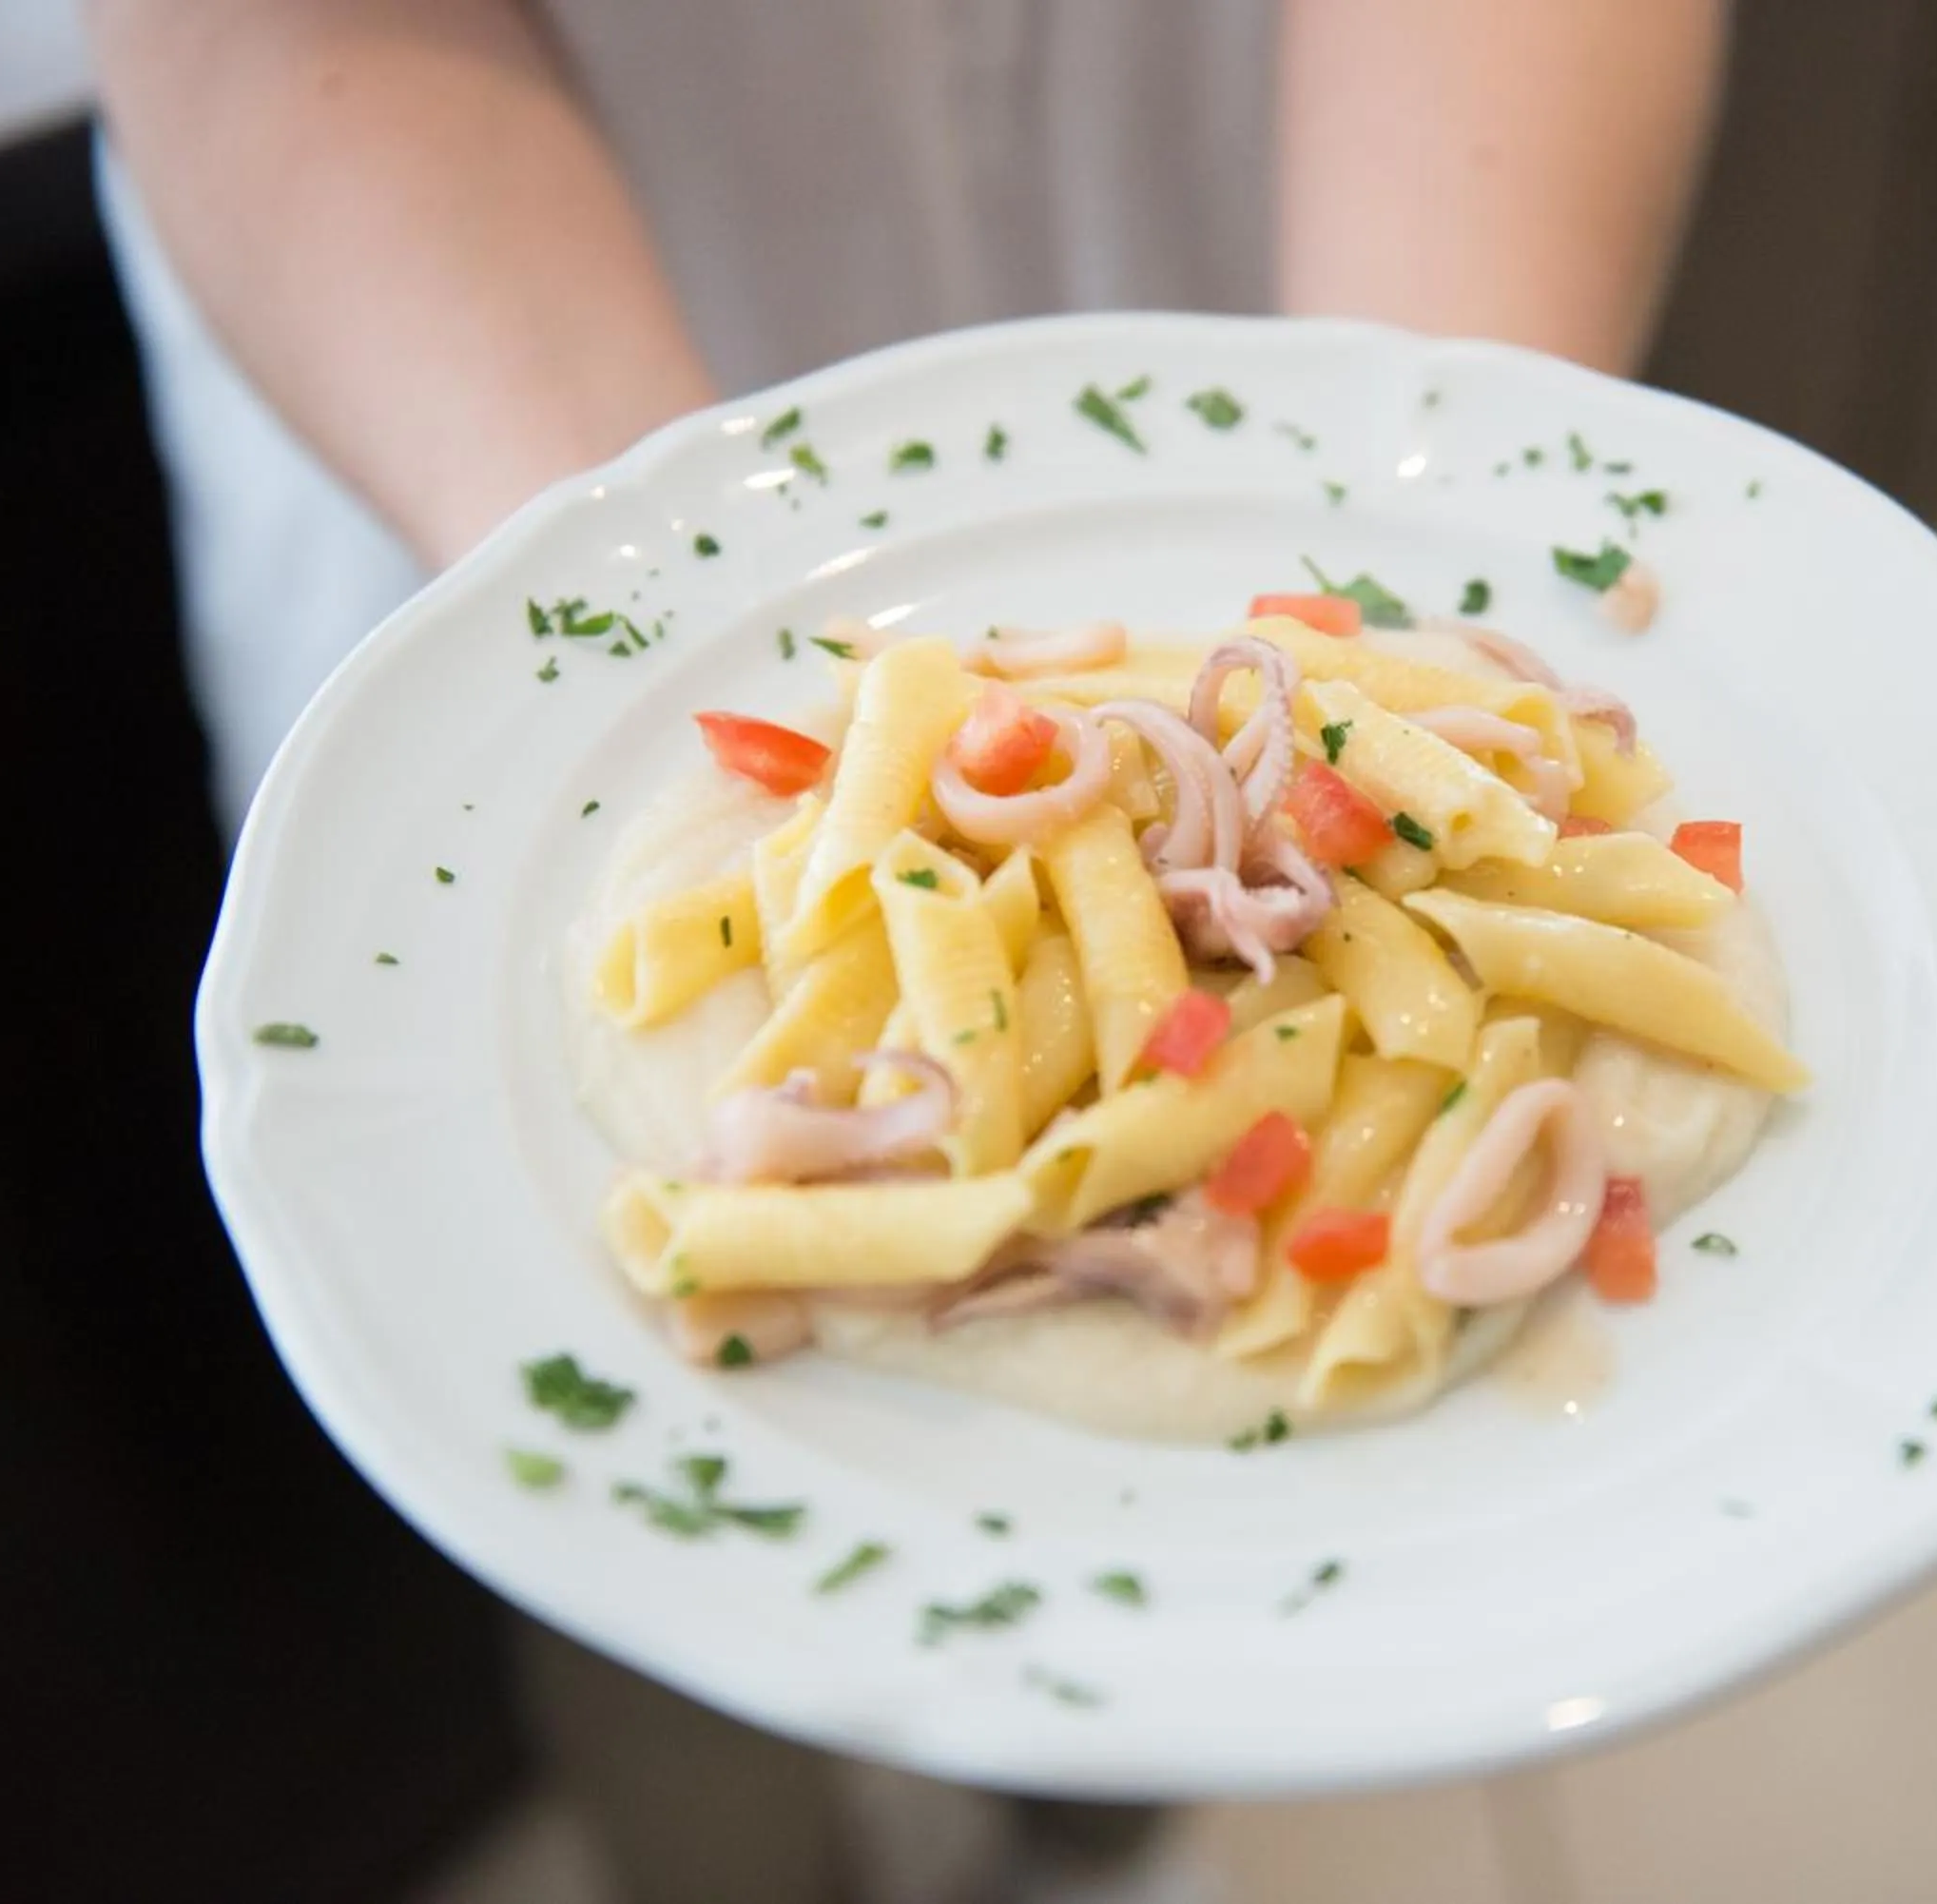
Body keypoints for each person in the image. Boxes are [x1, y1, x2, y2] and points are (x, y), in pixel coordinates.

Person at [85, 2, 1728, 1897]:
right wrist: (659, 609)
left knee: (1157, 1600)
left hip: (1242, 339)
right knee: (646, 1547)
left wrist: (1424, 536)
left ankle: (1092, 1839)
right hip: (475, 401)